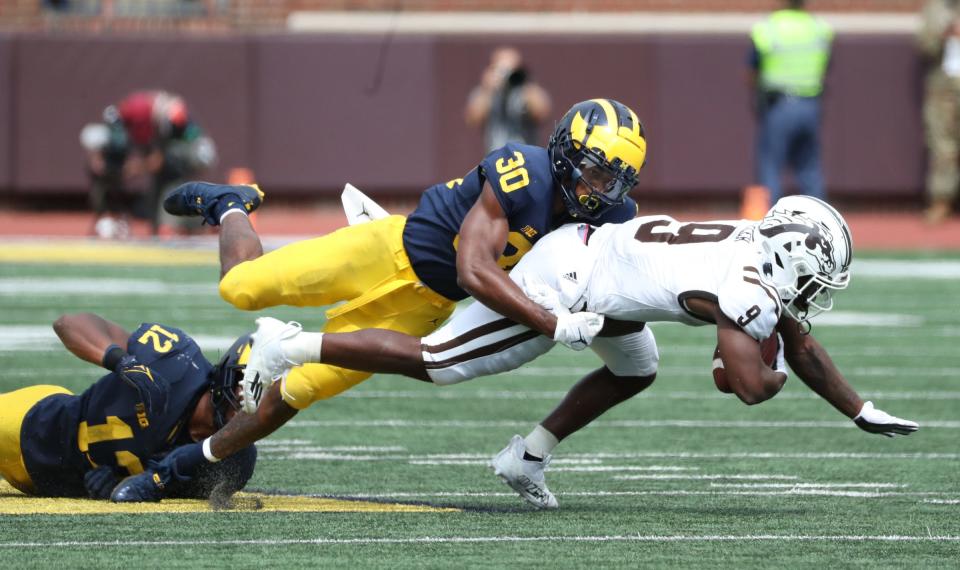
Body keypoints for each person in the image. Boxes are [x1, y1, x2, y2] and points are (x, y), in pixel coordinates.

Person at [113, 195, 918, 508]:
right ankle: (294, 342)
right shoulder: (750, 289)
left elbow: (795, 339)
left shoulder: (752, 252)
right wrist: (761, 366)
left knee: (636, 367)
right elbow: (747, 385)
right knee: (438, 361)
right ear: (787, 259)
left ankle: (526, 456)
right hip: (569, 279)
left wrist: (856, 408)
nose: (817, 293)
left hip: (607, 266)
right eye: (817, 276)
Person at [107, 98, 648, 502]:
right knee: (240, 288)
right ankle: (230, 205)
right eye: (596, 172)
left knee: (296, 391)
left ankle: (176, 469)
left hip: (420, 307)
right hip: (386, 250)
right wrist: (552, 323)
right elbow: (475, 268)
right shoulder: (524, 171)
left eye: (615, 182)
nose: (601, 191)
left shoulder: (609, 216)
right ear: (565, 153)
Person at [0, 313, 257, 501]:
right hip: (33, 427)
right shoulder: (176, 361)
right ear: (228, 373)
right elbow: (68, 323)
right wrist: (122, 361)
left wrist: (117, 483)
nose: (249, 399)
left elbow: (162, 490)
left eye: (263, 394)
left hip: (54, 486)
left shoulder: (232, 460)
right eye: (245, 384)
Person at [79, 90, 217, 237]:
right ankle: (160, 225)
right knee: (159, 184)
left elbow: (159, 160)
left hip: (196, 153)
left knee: (171, 168)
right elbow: (103, 137)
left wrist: (133, 168)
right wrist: (101, 159)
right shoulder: (126, 113)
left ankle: (180, 224)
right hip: (168, 154)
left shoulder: (169, 117)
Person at [748, 0, 833, 203]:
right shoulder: (819, 28)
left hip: (779, 105)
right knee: (809, 168)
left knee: (770, 168)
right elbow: (826, 66)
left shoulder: (768, 28)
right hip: (810, 104)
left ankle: (769, 228)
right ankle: (819, 226)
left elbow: (752, 68)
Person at [918, 0, 960, 224]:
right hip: (943, 88)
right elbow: (924, 44)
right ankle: (941, 201)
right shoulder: (936, 7)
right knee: (943, 147)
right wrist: (943, 32)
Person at [465, 47, 552, 153]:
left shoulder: (526, 90)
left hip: (526, 158)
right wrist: (487, 88)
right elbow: (474, 118)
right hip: (496, 159)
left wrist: (525, 83)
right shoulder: (487, 93)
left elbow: (542, 112)